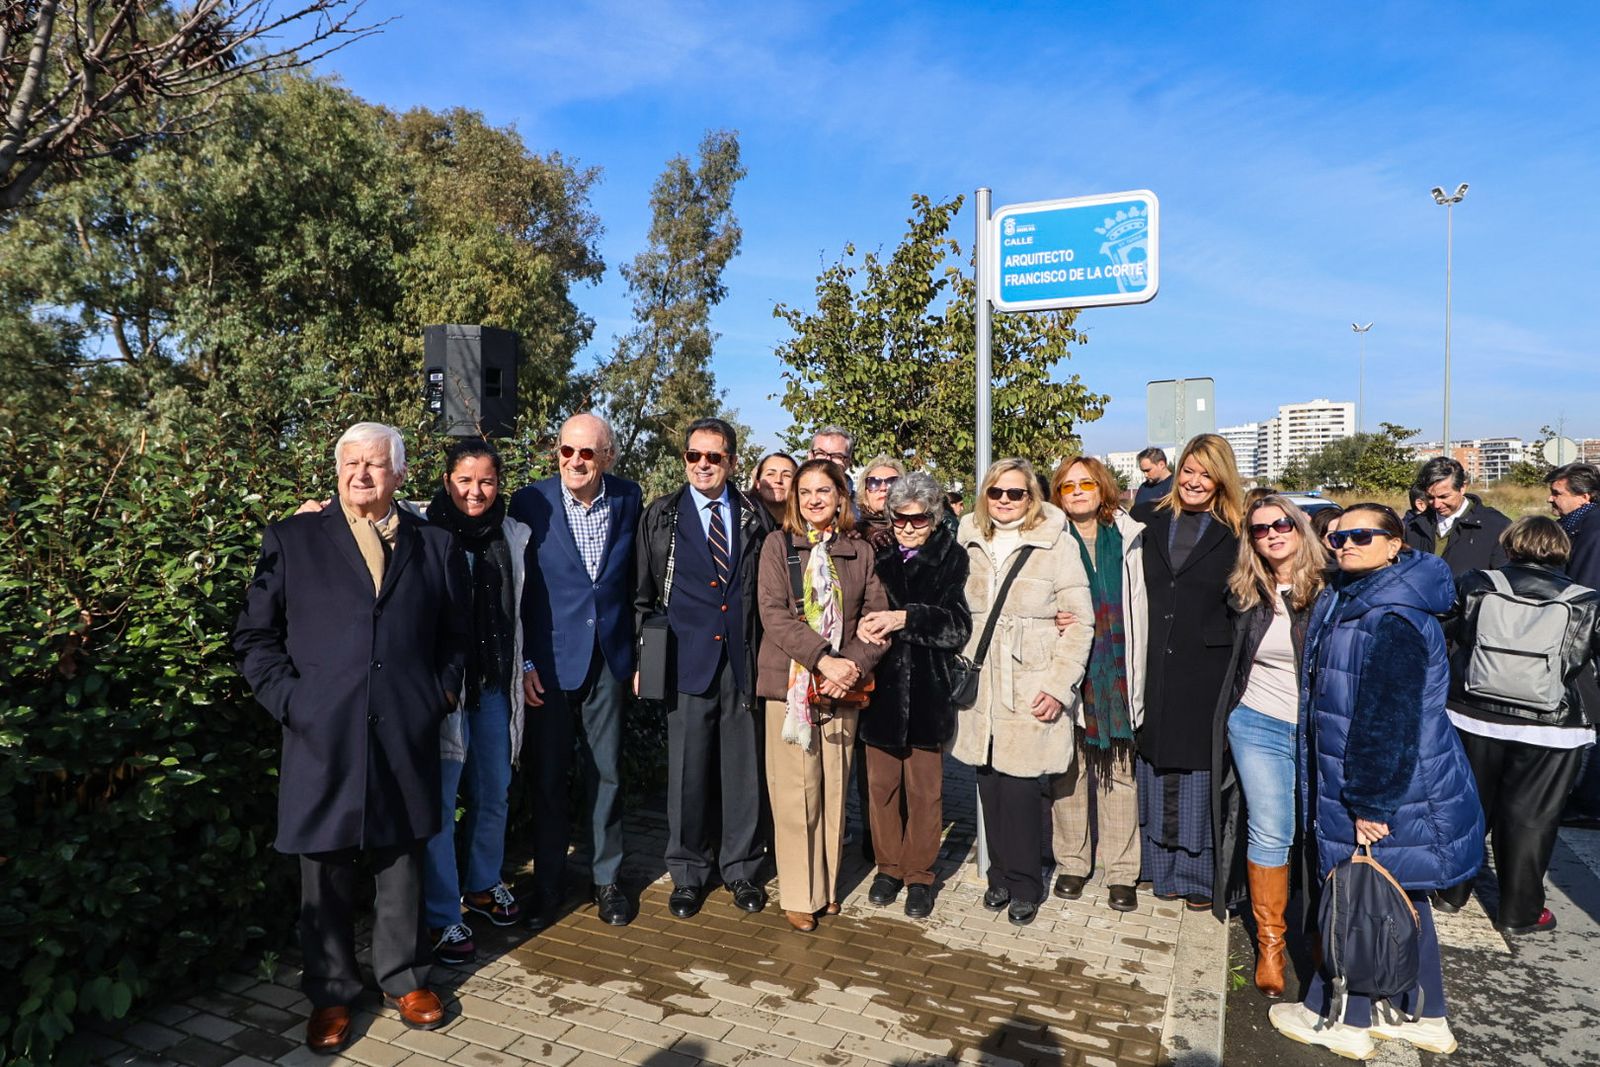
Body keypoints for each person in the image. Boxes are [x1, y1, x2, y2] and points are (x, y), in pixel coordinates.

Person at [233, 423, 469, 1053]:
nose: (361, 475)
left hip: (405, 729)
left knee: (401, 860)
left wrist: (437, 697)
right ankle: (333, 991)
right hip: (322, 732)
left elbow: (454, 638)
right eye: (350, 464)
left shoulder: (434, 545)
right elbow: (255, 638)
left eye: (374, 464)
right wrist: (293, 703)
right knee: (326, 865)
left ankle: (405, 977)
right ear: (336, 470)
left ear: (398, 474)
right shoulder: (292, 538)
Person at [1268, 504, 1482, 1059]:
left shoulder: (1392, 615)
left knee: (1358, 895)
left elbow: (1386, 718)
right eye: (1336, 536)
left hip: (1382, 784)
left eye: (1362, 535)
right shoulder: (1363, 595)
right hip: (1393, 779)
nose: (1344, 544)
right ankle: (1426, 1014)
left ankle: (1342, 1017)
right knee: (1402, 899)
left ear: (1395, 544)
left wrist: (1370, 802)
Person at [635, 417, 775, 919]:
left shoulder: (754, 516)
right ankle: (688, 873)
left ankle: (741, 870)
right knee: (688, 773)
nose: (702, 466)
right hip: (685, 660)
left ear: (731, 462)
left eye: (713, 457)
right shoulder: (662, 517)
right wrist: (641, 658)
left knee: (743, 773)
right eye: (694, 456)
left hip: (741, 661)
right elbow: (643, 595)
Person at [1434, 517, 1600, 932]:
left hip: (1473, 713)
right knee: (1532, 819)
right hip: (1552, 724)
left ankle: (1452, 892)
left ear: (1510, 546)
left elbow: (1446, 629)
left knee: (1470, 807)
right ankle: (1520, 911)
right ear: (1563, 551)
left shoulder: (1477, 583)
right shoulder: (1587, 600)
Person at [510, 413, 641, 929]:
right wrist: (523, 662)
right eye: (567, 451)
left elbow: (638, 584)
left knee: (607, 774)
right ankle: (547, 884)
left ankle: (607, 881)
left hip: (608, 660)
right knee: (546, 779)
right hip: (546, 665)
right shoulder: (530, 502)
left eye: (587, 453)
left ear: (606, 456)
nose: (576, 462)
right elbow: (512, 588)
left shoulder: (629, 499)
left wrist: (636, 656)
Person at [952, 458, 1093, 926]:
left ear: (1032, 497)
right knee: (988, 784)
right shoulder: (967, 538)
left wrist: (1058, 686)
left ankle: (1026, 883)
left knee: (1021, 788)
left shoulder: (1057, 542)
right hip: (981, 686)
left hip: (1030, 682)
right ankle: (997, 876)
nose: (1006, 501)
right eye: (997, 493)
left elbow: (1080, 623)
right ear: (985, 495)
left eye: (1016, 493)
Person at [756, 459, 890, 931]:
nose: (814, 499)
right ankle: (798, 892)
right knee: (796, 793)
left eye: (824, 491)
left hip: (842, 689)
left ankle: (827, 887)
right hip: (790, 686)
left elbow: (876, 620)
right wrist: (823, 660)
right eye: (805, 491)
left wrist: (850, 666)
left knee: (833, 788)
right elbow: (773, 615)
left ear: (840, 498)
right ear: (795, 499)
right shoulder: (777, 546)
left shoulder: (860, 552)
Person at [419, 439, 530, 966]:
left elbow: (520, 614)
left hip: (492, 683)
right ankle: (443, 914)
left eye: (486, 480)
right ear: (447, 482)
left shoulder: (512, 533)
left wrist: (524, 666)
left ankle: (483, 883)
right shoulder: (421, 530)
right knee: (440, 805)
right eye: (464, 480)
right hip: (445, 689)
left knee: (494, 789)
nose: (475, 491)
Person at [1211, 495, 1325, 998]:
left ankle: (1326, 934)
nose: (1273, 534)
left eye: (1282, 524)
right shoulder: (1245, 592)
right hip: (1256, 722)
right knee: (1272, 828)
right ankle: (1272, 945)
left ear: (1300, 527)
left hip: (1318, 728)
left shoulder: (1330, 588)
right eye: (1260, 529)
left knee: (1320, 830)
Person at [1131, 434, 1244, 909]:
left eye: (1206, 473)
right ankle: (1156, 867)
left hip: (1205, 668)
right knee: (1154, 763)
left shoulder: (1236, 532)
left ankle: (1197, 876)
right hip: (1153, 661)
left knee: (1197, 770)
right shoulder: (1147, 520)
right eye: (1189, 471)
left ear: (1222, 478)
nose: (1195, 481)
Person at [855, 472, 972, 920]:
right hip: (881, 687)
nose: (907, 527)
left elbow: (957, 626)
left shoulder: (952, 558)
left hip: (928, 689)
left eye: (917, 519)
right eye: (900, 519)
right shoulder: (877, 553)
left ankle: (920, 875)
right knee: (881, 788)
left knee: (925, 792)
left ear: (934, 517)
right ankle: (888, 867)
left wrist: (906, 618)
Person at [1045, 457, 1147, 914]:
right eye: (1068, 487)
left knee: (1119, 774)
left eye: (1087, 483)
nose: (1079, 492)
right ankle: (1072, 861)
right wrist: (1050, 616)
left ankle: (1122, 871)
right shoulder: (1046, 539)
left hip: (1117, 670)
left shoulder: (1129, 538)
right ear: (1058, 495)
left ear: (1102, 489)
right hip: (1065, 667)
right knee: (1068, 771)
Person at [1547, 462, 1600, 829]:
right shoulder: (1579, 525)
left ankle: (1590, 802)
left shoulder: (1592, 529)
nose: (1550, 501)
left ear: (1584, 496)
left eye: (1557, 494)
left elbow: (1585, 590)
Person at [1402, 456, 1510, 575]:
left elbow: (1506, 578)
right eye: (1430, 498)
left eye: (1444, 497)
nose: (1437, 504)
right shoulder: (1414, 526)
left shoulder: (1496, 526)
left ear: (1462, 488)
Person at [855, 455, 906, 549]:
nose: (883, 488)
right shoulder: (852, 534)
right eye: (874, 483)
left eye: (892, 482)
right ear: (865, 495)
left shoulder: (919, 530)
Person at [749, 451, 799, 527]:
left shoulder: (809, 527)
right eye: (770, 474)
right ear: (757, 483)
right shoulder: (742, 525)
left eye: (787, 475)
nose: (778, 480)